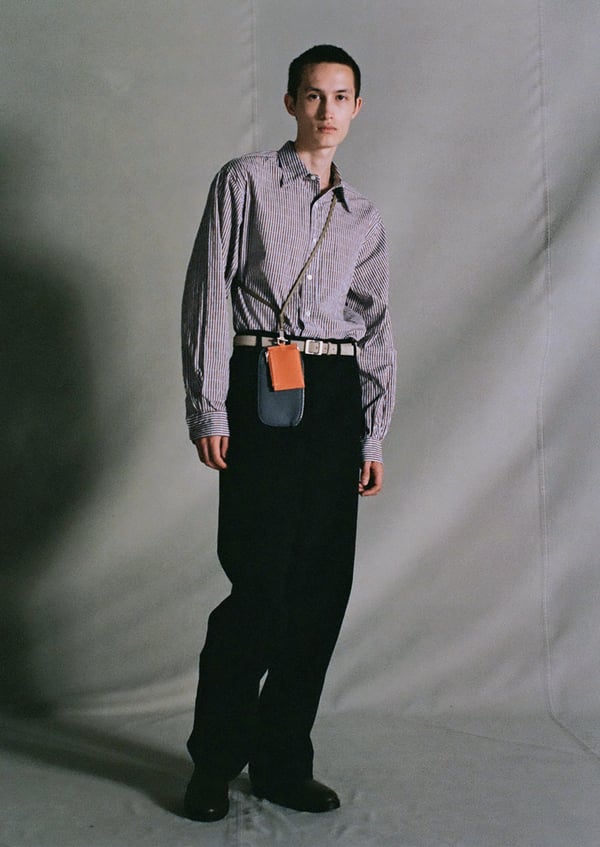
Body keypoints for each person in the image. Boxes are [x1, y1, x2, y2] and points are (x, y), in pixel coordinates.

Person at [181, 44, 396, 821]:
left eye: (340, 97)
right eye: (312, 95)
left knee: (321, 591)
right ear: (290, 102)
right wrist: (209, 406)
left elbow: (375, 326)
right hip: (263, 383)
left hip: (333, 395)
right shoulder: (243, 182)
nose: (326, 110)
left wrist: (372, 432)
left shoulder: (362, 215)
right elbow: (210, 293)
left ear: (357, 108)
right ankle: (213, 762)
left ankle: (280, 762)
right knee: (260, 586)